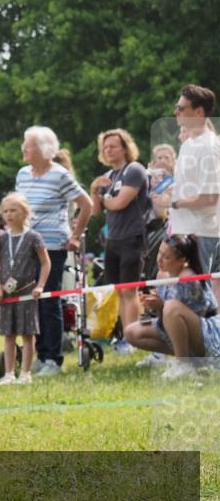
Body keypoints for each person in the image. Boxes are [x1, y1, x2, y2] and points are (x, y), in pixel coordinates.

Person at [15, 127, 93, 377]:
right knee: (33, 302)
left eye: (28, 145)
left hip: (52, 246)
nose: (23, 149)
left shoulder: (60, 175)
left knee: (49, 301)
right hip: (27, 246)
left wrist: (75, 235)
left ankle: (54, 359)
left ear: (43, 150)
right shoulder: (23, 174)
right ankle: (40, 354)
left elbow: (86, 205)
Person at [124, 235, 220, 379]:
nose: (159, 259)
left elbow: (182, 321)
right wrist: (154, 306)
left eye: (166, 257)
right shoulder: (163, 275)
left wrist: (161, 306)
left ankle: (184, 364)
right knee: (131, 332)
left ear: (183, 261)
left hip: (207, 335)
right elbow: (169, 322)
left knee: (171, 307)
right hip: (178, 325)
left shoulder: (188, 280)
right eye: (159, 253)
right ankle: (191, 361)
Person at [90, 128, 150, 343]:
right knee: (118, 290)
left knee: (129, 291)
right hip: (112, 240)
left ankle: (132, 338)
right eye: (105, 147)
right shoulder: (108, 176)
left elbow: (119, 203)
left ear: (125, 148)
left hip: (131, 238)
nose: (108, 150)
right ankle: (126, 335)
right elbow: (96, 211)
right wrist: (94, 188)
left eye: (113, 146)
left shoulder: (134, 170)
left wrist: (104, 197)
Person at [0, 193, 52, 385]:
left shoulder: (34, 237)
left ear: (24, 212)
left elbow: (45, 263)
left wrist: (40, 285)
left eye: (13, 210)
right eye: (5, 211)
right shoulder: (1, 239)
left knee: (27, 334)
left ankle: (25, 373)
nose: (9, 215)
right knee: (9, 334)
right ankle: (9, 373)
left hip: (27, 292)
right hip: (7, 295)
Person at [167, 84, 220, 299]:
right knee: (186, 297)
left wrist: (174, 202)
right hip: (186, 230)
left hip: (201, 233)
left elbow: (210, 197)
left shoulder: (208, 146)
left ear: (198, 112)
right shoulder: (190, 142)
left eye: (181, 108)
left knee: (199, 299)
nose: (175, 112)